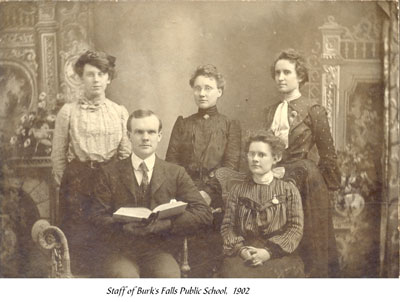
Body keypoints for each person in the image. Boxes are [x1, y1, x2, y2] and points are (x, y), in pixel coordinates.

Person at [89, 109, 213, 278]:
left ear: (159, 136)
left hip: (158, 250)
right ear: (129, 135)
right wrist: (122, 227)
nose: (145, 137)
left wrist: (169, 224)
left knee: (167, 277)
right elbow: (96, 216)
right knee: (126, 279)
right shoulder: (109, 172)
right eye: (139, 132)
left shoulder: (175, 173)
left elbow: (203, 213)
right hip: (120, 251)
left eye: (151, 132)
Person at [51, 50, 131, 274]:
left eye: (101, 73)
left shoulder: (119, 112)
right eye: (90, 74)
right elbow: (58, 156)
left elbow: (125, 153)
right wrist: (67, 184)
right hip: (78, 182)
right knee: (79, 241)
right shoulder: (68, 112)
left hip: (111, 180)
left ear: (108, 77)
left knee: (108, 239)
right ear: (81, 78)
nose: (96, 79)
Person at [264, 49, 341, 277]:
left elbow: (328, 155)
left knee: (313, 252)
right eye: (277, 73)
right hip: (278, 181)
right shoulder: (270, 112)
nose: (280, 77)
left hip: (308, 184)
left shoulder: (313, 110)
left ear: (300, 77)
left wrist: (330, 192)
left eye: (287, 72)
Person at [165, 64, 241, 276]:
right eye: (197, 88)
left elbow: (231, 166)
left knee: (211, 256)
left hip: (216, 198)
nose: (202, 93)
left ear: (220, 91)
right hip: (184, 196)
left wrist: (208, 193)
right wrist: (190, 194)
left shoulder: (229, 125)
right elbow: (171, 164)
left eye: (208, 88)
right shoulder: (183, 124)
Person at [220, 132, 304, 278]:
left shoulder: (289, 190)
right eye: (251, 154)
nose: (255, 159)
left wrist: (267, 252)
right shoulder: (237, 190)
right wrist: (242, 251)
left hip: (279, 254)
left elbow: (295, 228)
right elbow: (227, 227)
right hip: (244, 253)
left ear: (276, 158)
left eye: (261, 155)